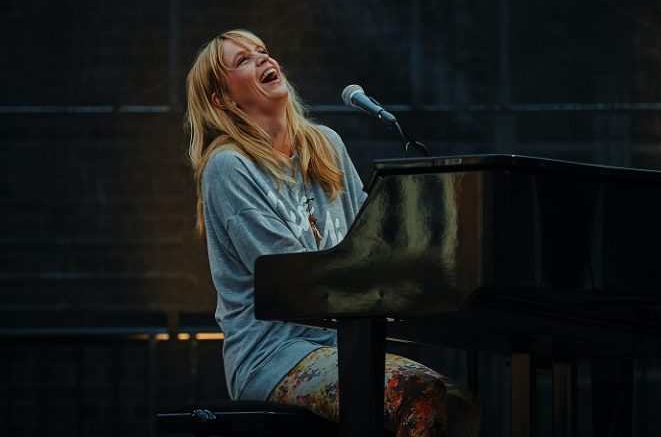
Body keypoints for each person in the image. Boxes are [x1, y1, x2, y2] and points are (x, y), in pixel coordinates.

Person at [185, 29, 481, 436]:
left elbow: (369, 243)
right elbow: (292, 276)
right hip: (274, 357)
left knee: (458, 404)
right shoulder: (228, 166)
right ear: (222, 99)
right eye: (243, 60)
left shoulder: (326, 144)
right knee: (421, 394)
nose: (263, 59)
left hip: (345, 346)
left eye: (262, 51)